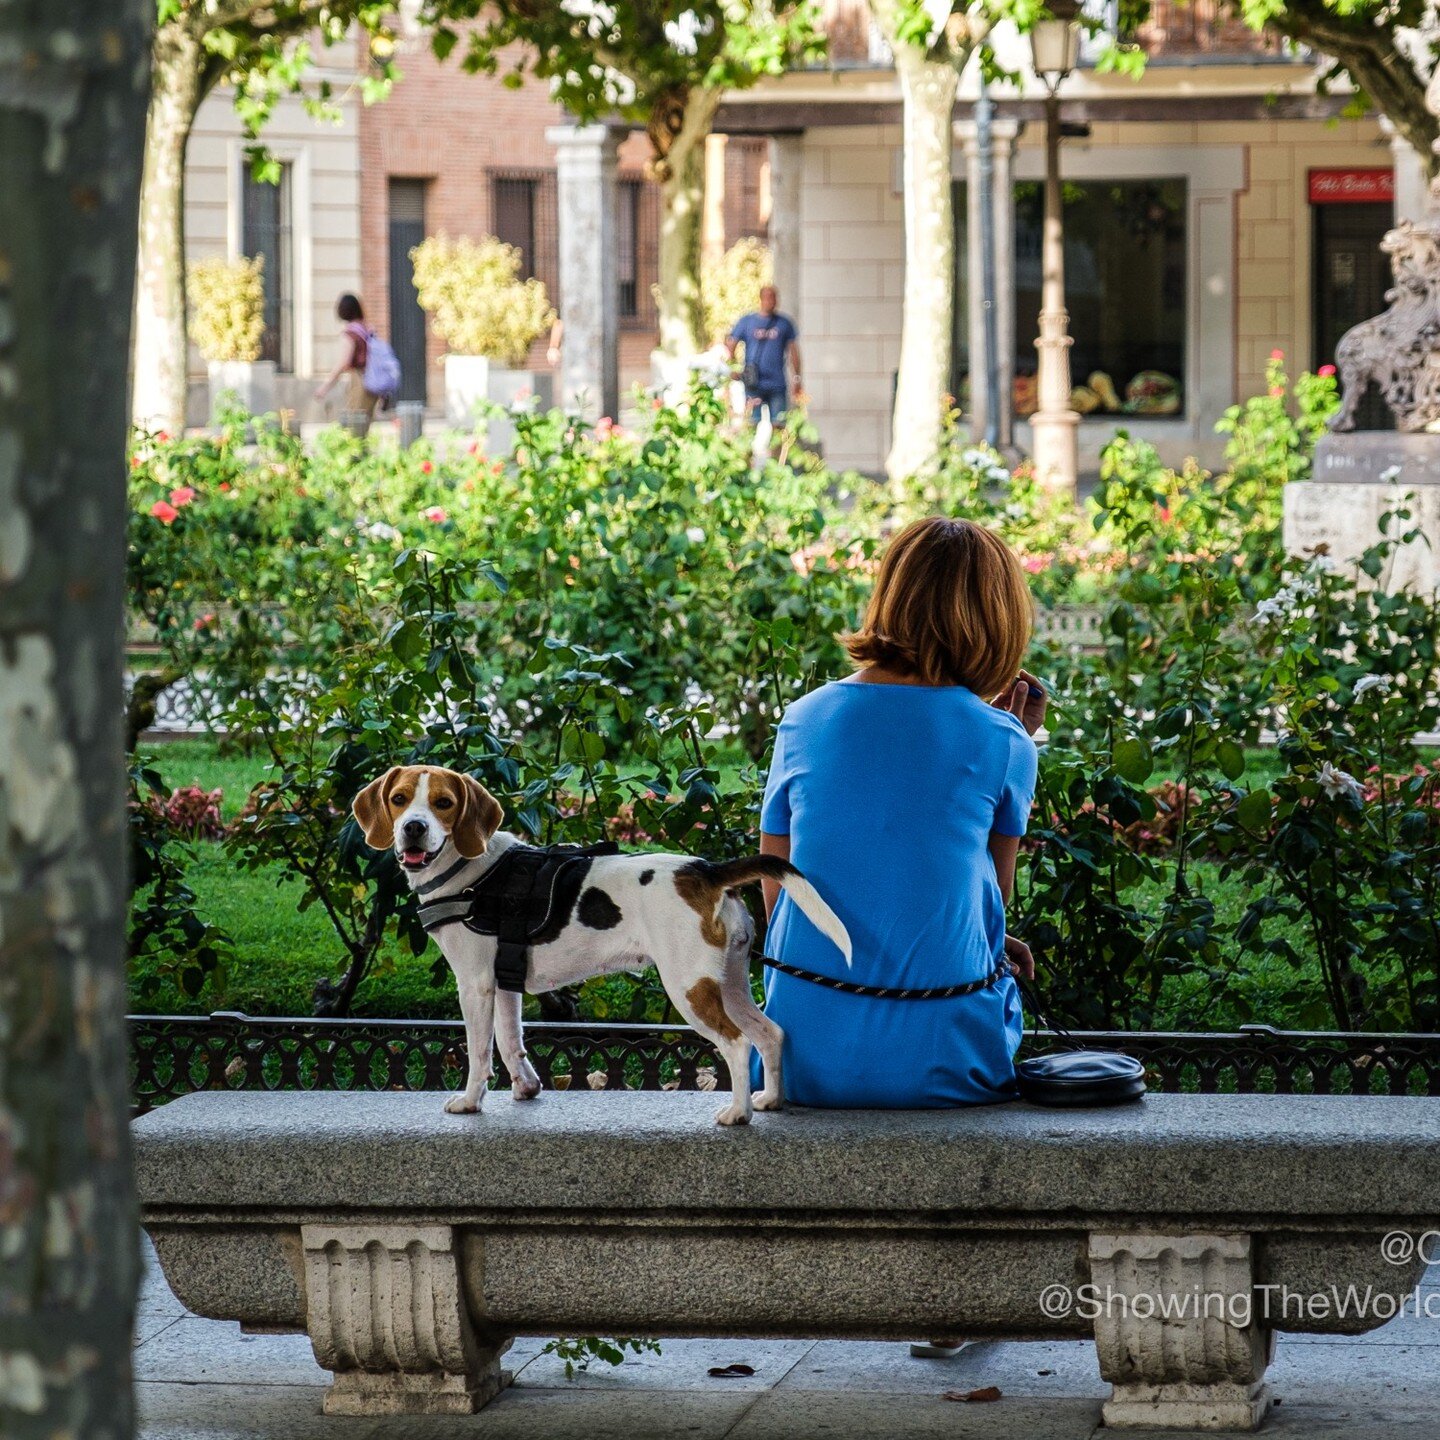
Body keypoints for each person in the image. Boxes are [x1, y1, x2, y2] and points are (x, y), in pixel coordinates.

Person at [756, 515, 1046, 1112]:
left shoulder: (804, 719)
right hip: (949, 1062)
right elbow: (993, 890)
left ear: (889, 598)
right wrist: (1010, 734)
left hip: (800, 1057)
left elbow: (776, 892)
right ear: (998, 620)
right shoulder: (1004, 740)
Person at [725, 285, 803, 430]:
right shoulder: (747, 321)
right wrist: (733, 368)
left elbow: (794, 352)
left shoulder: (784, 323)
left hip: (777, 383)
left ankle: (777, 453)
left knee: (779, 426)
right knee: (751, 425)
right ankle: (749, 453)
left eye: (773, 297)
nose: (771, 301)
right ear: (761, 299)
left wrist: (797, 378)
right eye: (767, 297)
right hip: (753, 382)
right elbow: (731, 344)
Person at [314, 293, 380, 421]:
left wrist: (325, 387)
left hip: (359, 381)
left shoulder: (350, 333)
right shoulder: (368, 329)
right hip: (373, 380)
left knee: (355, 425)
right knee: (365, 425)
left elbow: (344, 362)